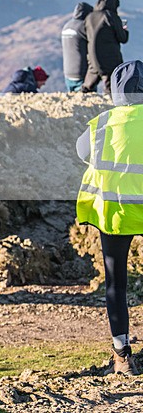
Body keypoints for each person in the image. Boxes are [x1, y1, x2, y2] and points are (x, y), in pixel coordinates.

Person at [76, 60, 143, 375]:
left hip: (115, 215)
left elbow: (82, 153)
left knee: (116, 283)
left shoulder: (100, 124)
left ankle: (122, 356)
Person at [82, 0, 129, 94]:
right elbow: (123, 38)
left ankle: (82, 102)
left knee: (87, 89)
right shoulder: (111, 16)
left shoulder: (89, 17)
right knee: (112, 89)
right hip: (110, 59)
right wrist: (124, 30)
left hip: (93, 59)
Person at [62, 2, 94, 92]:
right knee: (88, 99)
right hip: (82, 72)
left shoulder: (66, 26)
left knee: (73, 98)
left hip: (68, 71)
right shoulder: (84, 27)